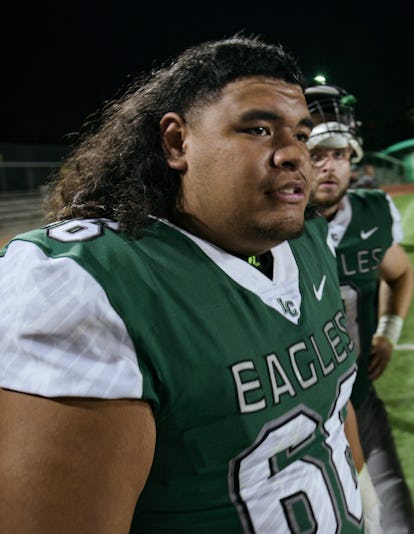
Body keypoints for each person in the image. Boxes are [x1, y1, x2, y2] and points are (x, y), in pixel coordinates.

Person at [0, 35, 377, 533]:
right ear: (178, 142)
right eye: (259, 129)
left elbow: (332, 402)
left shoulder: (308, 239)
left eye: (301, 135)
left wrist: (365, 501)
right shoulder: (89, 282)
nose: (293, 154)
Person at [305, 82, 414, 533]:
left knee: (395, 523)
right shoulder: (270, 229)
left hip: (361, 397)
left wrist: (388, 331)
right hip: (301, 409)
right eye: (316, 154)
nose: (328, 166)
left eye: (338, 154)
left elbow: (401, 272)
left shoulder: (371, 213)